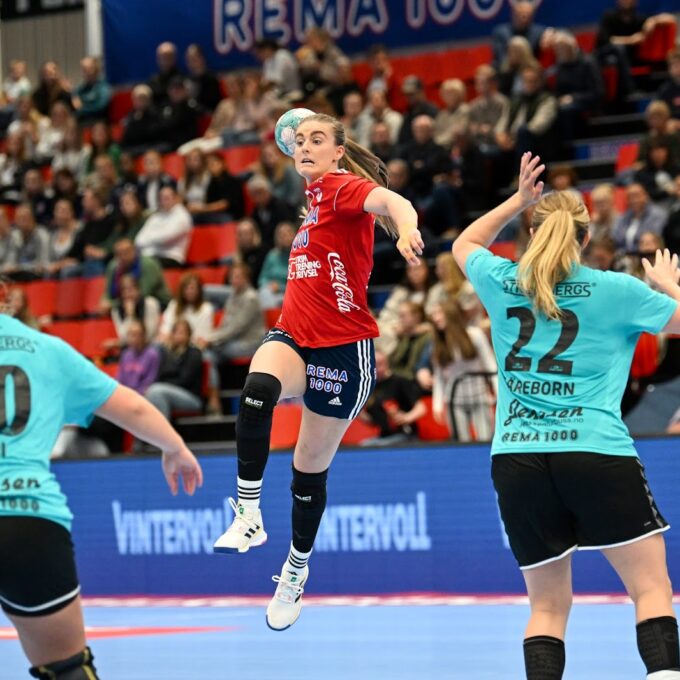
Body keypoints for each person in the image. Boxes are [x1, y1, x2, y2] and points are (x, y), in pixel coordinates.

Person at [451, 151, 680, 680]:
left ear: (532, 232)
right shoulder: (617, 289)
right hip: (595, 449)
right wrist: (668, 285)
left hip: (518, 458)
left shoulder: (503, 280)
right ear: (586, 237)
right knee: (651, 589)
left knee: (548, 608)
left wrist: (518, 200)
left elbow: (463, 244)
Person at [211, 111, 423, 630]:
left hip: (343, 354)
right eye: (300, 140)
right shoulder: (312, 203)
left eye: (317, 139)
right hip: (294, 336)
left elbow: (392, 201)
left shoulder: (344, 188)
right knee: (256, 390)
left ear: (337, 151)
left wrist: (408, 229)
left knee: (307, 472)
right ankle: (248, 514)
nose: (305, 147)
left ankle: (295, 570)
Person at [0, 308, 202, 680]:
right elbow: (132, 407)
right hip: (28, 518)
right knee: (67, 670)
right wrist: (174, 447)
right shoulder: (46, 349)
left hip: (28, 520)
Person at [429, 300, 497, 441]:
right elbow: (439, 377)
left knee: (485, 440)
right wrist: (437, 405)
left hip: (479, 398)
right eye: (433, 314)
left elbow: (491, 367)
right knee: (461, 443)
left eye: (439, 313)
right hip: (454, 401)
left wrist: (498, 393)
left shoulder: (475, 335)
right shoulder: (438, 344)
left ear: (451, 314)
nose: (435, 318)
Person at [146, 319, 204, 420]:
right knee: (152, 393)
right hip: (166, 391)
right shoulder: (167, 354)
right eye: (176, 332)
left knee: (156, 391)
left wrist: (165, 384)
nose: (179, 336)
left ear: (189, 335)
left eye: (182, 333)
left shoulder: (194, 353)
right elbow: (160, 375)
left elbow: (185, 380)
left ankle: (162, 429)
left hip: (190, 396)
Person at [134, 185, 193, 268]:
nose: (163, 201)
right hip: (151, 255)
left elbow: (166, 238)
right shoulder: (156, 217)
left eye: (166, 198)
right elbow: (138, 240)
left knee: (142, 264)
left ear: (176, 198)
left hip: (172, 257)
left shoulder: (182, 216)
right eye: (161, 198)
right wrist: (155, 238)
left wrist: (149, 237)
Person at [158, 272, 214, 346]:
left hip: (194, 347)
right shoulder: (174, 305)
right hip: (173, 344)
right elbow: (166, 329)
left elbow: (203, 338)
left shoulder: (206, 309)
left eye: (192, 288)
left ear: (199, 290)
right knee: (156, 346)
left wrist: (184, 341)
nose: (189, 291)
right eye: (186, 288)